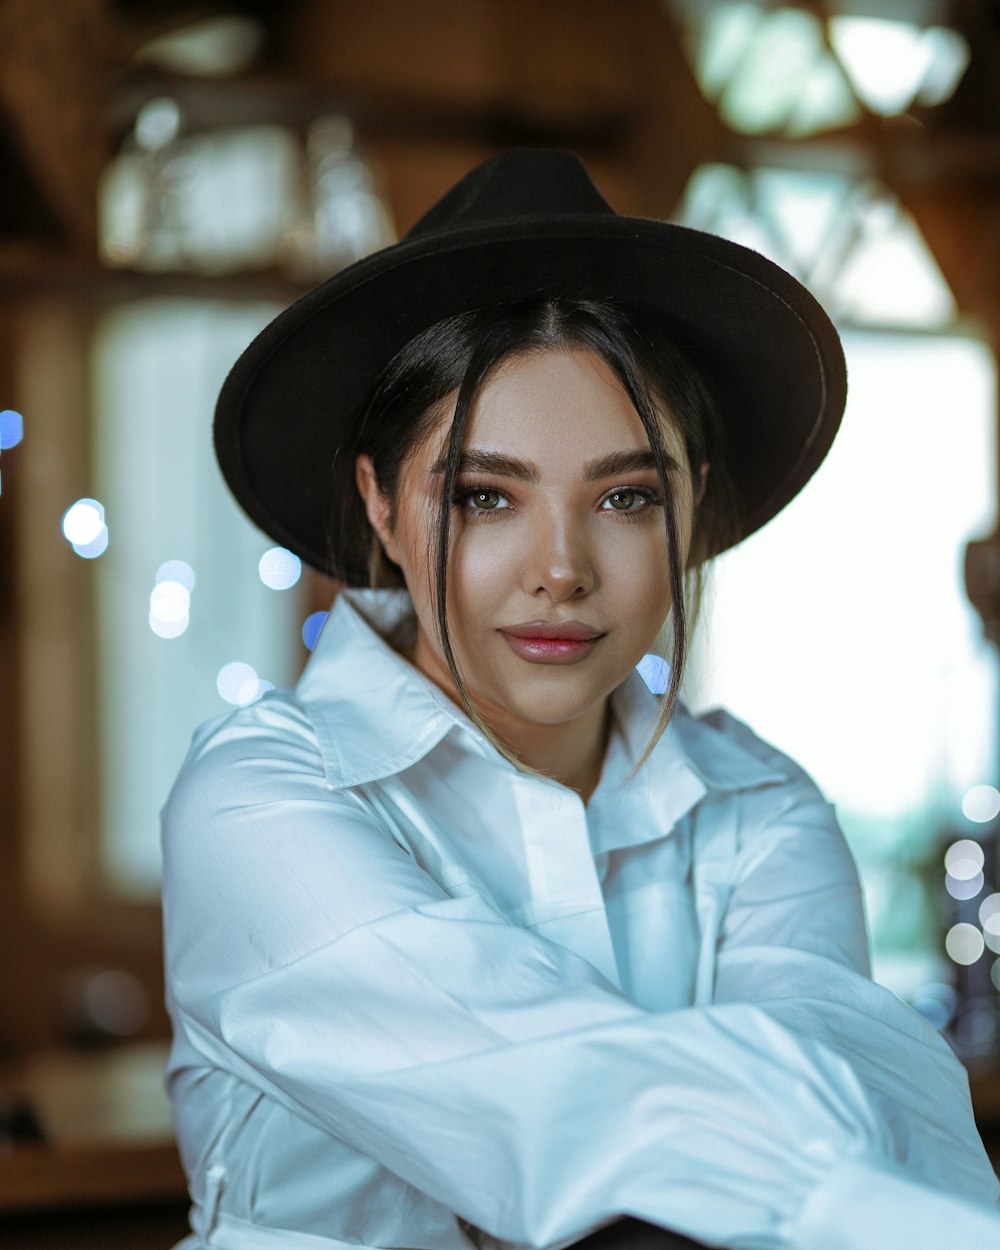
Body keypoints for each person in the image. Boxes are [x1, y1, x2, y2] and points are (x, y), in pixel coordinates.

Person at [161, 149, 1000, 1250]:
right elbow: (563, 1098)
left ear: (692, 504)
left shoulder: (757, 811)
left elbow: (884, 1100)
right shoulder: (259, 799)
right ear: (377, 502)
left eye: (625, 494)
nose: (560, 567)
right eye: (483, 494)